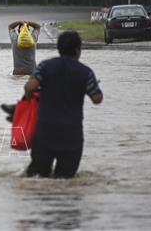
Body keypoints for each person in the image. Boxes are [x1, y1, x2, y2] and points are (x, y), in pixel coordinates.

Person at [22, 31, 103, 178]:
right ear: (78, 49)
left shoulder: (45, 66)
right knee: (65, 180)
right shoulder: (85, 72)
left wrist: (29, 101)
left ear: (59, 48)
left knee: (36, 178)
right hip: (71, 136)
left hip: (45, 133)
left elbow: (30, 87)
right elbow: (97, 98)